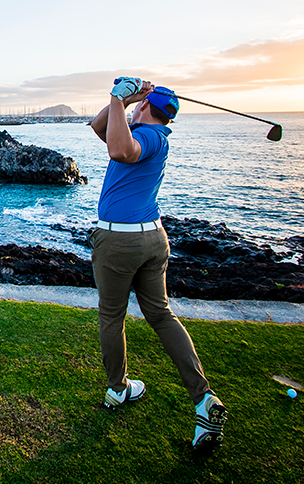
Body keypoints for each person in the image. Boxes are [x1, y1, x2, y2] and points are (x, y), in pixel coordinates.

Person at [89, 77, 227, 455]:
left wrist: (122, 97)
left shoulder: (148, 138)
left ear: (146, 107)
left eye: (139, 103)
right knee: (161, 315)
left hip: (121, 241)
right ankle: (203, 399)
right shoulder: (143, 131)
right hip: (152, 238)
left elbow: (118, 151)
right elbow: (99, 128)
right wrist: (119, 99)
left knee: (111, 316)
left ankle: (117, 390)